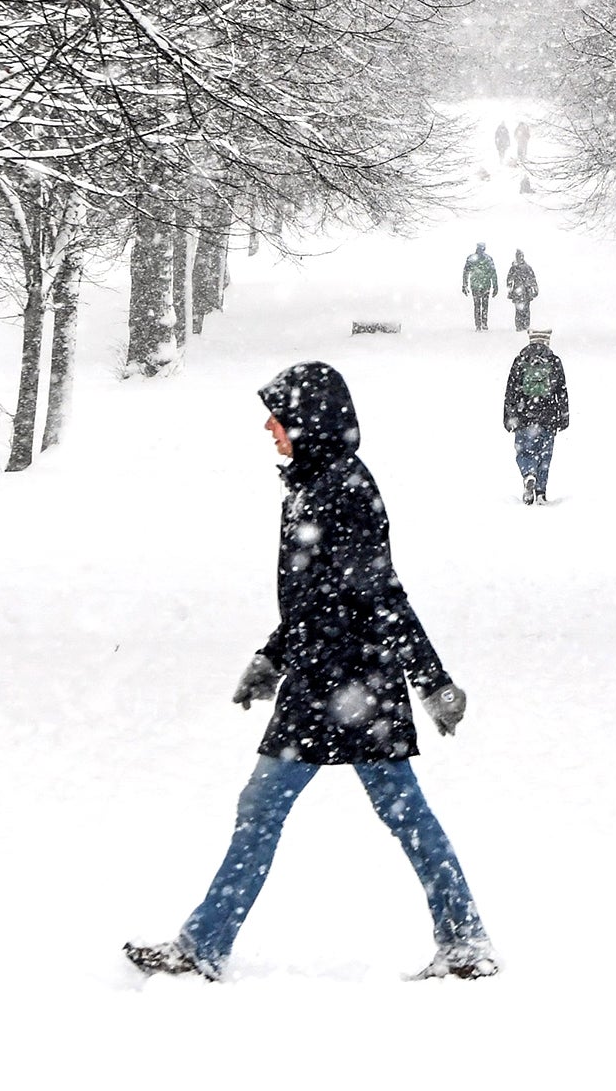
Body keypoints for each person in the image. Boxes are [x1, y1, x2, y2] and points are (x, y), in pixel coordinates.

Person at [125, 362, 497, 983]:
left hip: (358, 683)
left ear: (311, 421)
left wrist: (431, 681)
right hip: (317, 684)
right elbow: (314, 598)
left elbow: (381, 593)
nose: (270, 428)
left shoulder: (344, 489)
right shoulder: (309, 483)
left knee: (395, 811)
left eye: (280, 416)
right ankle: (203, 945)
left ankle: (464, 942)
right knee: (274, 807)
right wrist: (271, 657)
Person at [503, 330, 569, 505]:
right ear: (547, 341)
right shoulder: (554, 361)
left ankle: (528, 474)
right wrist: (563, 416)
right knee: (545, 455)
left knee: (524, 452)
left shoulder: (520, 360)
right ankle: (540, 493)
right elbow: (561, 391)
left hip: (524, 415)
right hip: (548, 415)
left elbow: (511, 391)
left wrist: (509, 416)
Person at [461, 241, 498, 330]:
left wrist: (465, 284)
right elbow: (493, 273)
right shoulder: (488, 259)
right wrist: (495, 286)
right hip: (484, 285)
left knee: (477, 305)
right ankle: (483, 322)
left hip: (476, 285)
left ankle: (479, 323)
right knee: (484, 305)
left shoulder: (471, 258)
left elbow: (466, 272)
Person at [505, 249, 538, 332]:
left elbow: (533, 279)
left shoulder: (525, 267)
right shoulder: (515, 268)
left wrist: (534, 288)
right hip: (520, 291)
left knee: (525, 308)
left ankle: (525, 325)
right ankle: (520, 325)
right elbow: (509, 280)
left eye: (521, 256)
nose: (520, 258)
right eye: (519, 256)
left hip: (524, 291)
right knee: (520, 309)